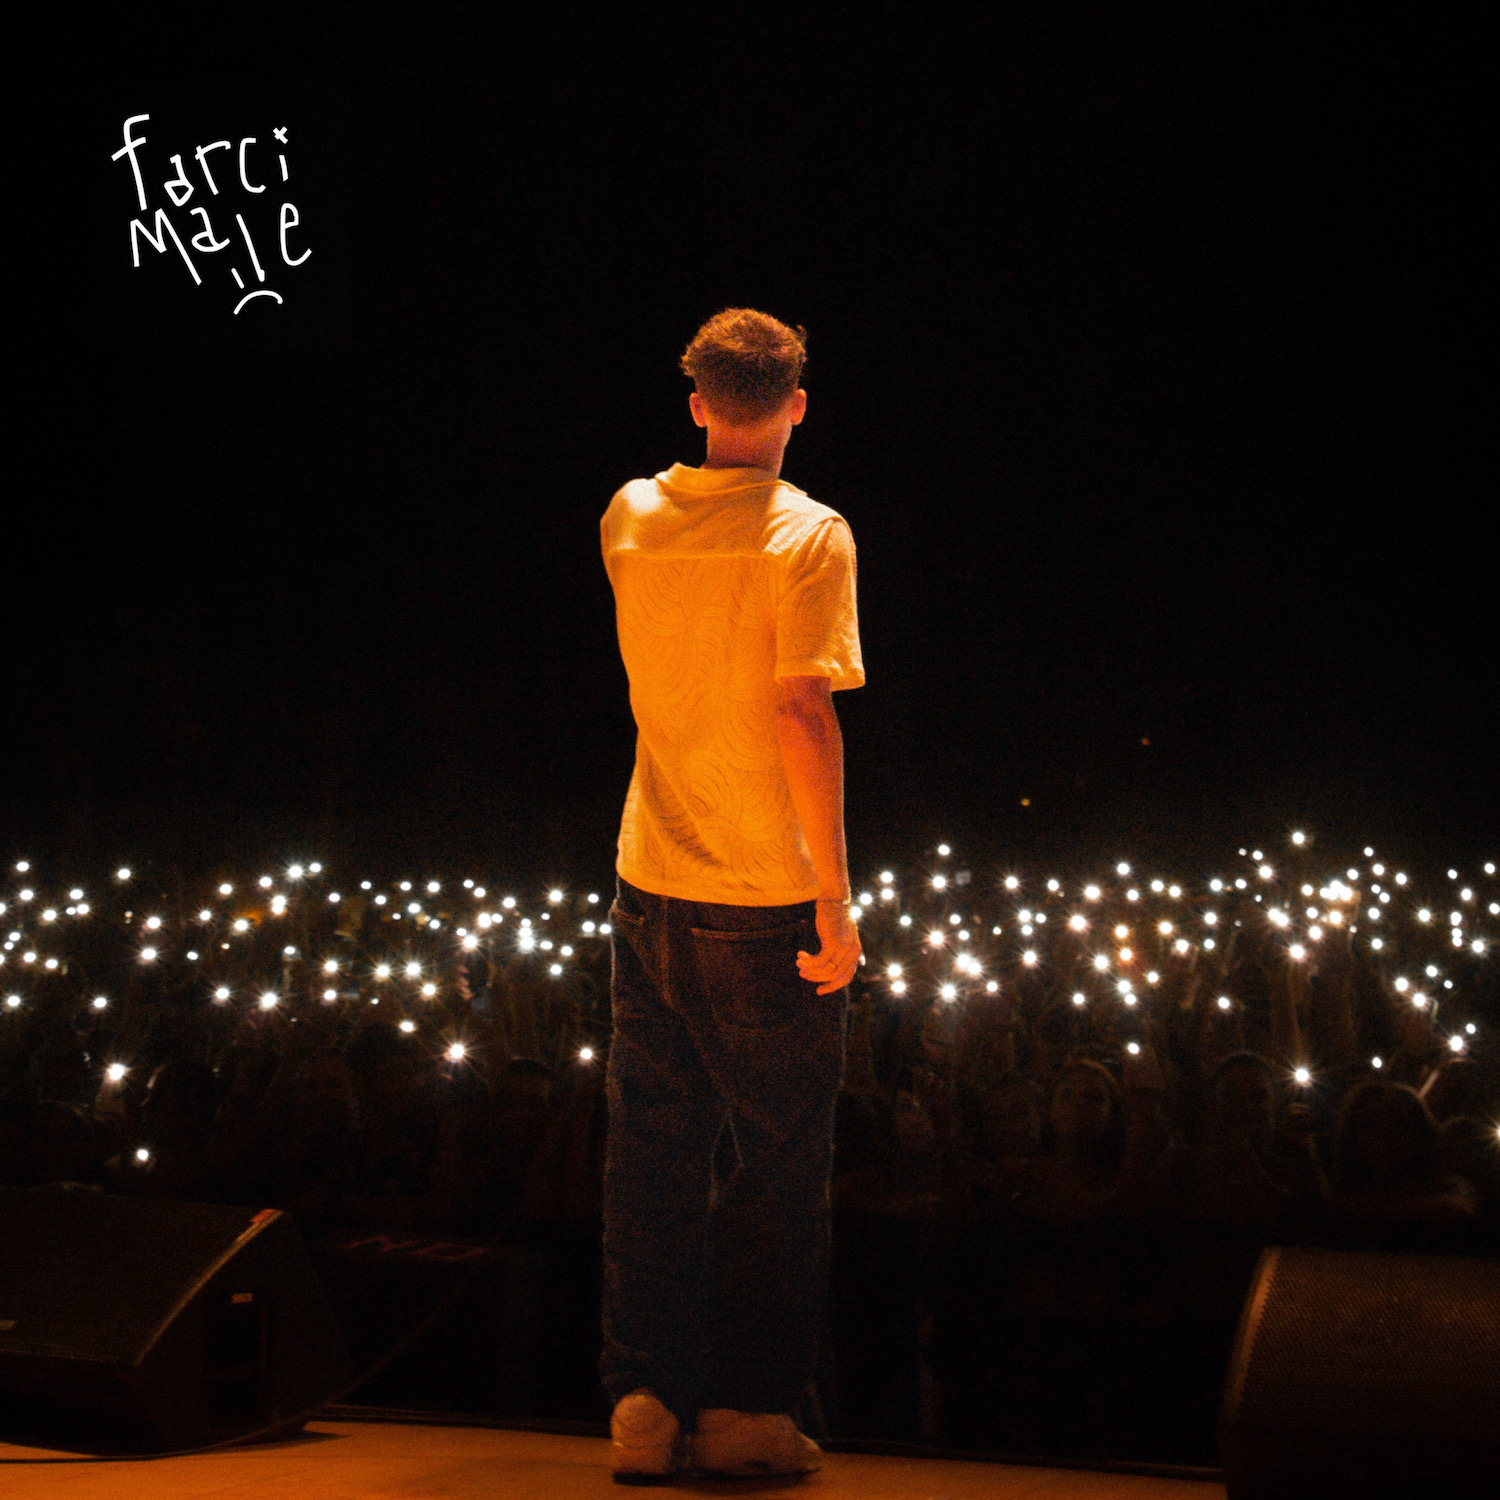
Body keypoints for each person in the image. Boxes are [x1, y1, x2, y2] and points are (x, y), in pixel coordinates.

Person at [599, 308, 864, 1481]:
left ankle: (645, 1401)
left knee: (650, 1152)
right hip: (762, 893)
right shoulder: (810, 536)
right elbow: (802, 708)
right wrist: (835, 899)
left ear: (699, 402)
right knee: (778, 1160)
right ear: (797, 404)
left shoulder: (629, 515)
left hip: (649, 873)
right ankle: (748, 1408)